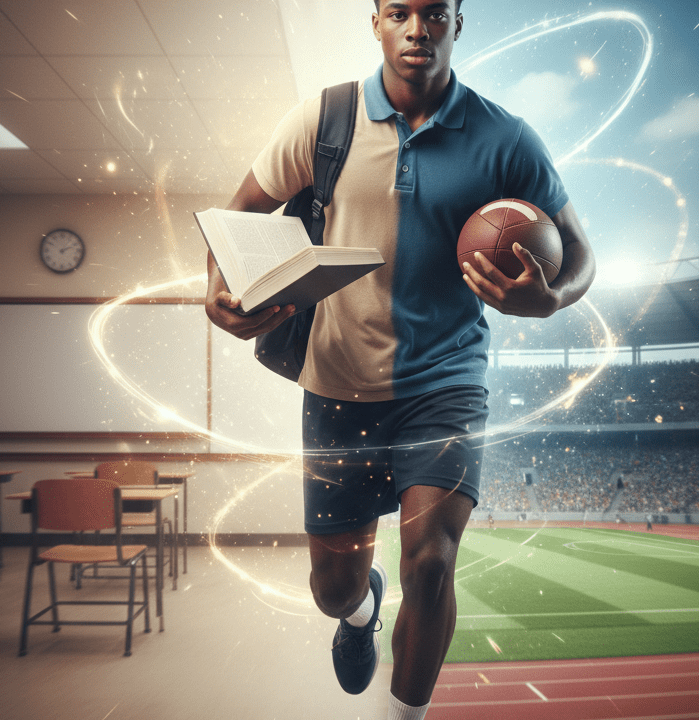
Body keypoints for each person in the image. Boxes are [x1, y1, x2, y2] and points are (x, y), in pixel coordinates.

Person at [205, 1, 595, 718]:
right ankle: (360, 614)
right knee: (333, 589)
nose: (419, 28)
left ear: (457, 23)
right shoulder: (322, 121)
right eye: (401, 12)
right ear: (377, 23)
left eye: (435, 13)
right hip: (335, 387)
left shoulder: (505, 138)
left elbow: (579, 249)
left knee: (432, 561)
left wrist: (552, 297)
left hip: (444, 386)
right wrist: (218, 294)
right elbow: (236, 219)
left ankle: (403, 714)